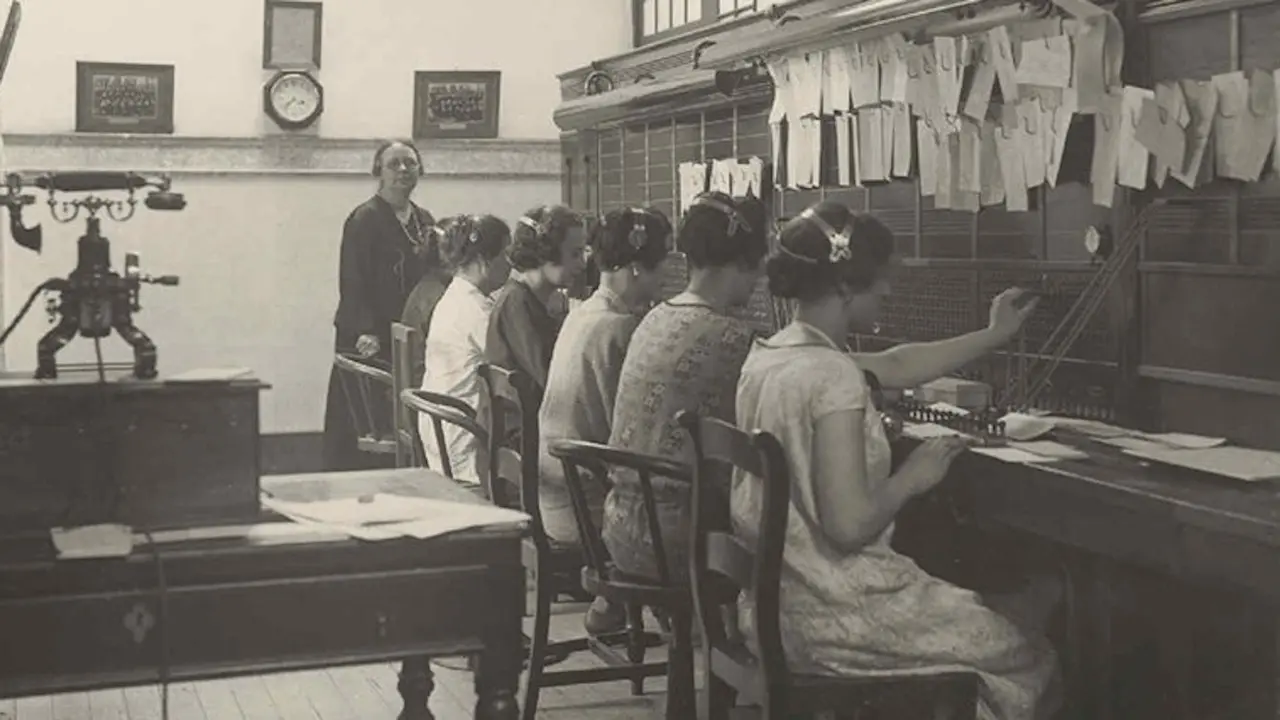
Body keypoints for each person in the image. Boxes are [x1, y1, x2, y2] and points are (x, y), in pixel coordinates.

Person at [732, 201, 1060, 720]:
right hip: (835, 617)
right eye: (879, 278)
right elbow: (849, 526)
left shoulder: (771, 357)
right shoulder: (833, 375)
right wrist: (913, 476)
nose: (887, 289)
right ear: (846, 285)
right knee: (1030, 650)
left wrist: (994, 334)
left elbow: (898, 364)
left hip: (773, 610)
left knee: (1000, 614)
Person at [601, 192, 768, 588]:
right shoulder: (733, 337)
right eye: (757, 268)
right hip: (678, 542)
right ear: (741, 263)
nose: (759, 280)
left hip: (618, 530)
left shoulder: (652, 318)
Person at [538, 207, 672, 633]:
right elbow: (635, 434)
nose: (666, 277)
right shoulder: (621, 328)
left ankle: (611, 604)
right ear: (636, 269)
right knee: (686, 494)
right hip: (584, 510)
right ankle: (682, 621)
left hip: (555, 493)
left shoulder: (583, 312)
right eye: (661, 265)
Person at [322, 139, 436, 471]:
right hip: (369, 336)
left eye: (410, 163)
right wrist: (365, 331)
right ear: (378, 171)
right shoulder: (364, 219)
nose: (403, 170)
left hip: (407, 333)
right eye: (394, 164)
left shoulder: (424, 219)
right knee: (366, 422)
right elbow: (352, 279)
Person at [419, 214, 513, 487]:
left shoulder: (454, 296)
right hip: (464, 444)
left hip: (440, 430)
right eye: (505, 255)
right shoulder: (476, 311)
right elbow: (513, 367)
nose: (510, 264)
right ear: (484, 261)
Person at [485, 204, 587, 403]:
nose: (582, 264)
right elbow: (551, 378)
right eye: (575, 254)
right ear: (546, 253)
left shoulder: (533, 299)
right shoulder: (516, 303)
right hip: (530, 419)